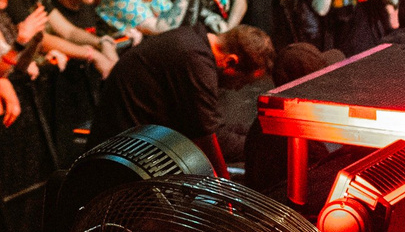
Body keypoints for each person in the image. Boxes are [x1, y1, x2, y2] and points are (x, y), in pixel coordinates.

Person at [90, 21, 272, 174]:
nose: (238, 88)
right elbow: (210, 140)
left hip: (135, 149)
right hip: (122, 162)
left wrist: (262, 134)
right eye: (242, 82)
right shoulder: (194, 60)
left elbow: (212, 128)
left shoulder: (192, 40)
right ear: (231, 61)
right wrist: (267, 147)